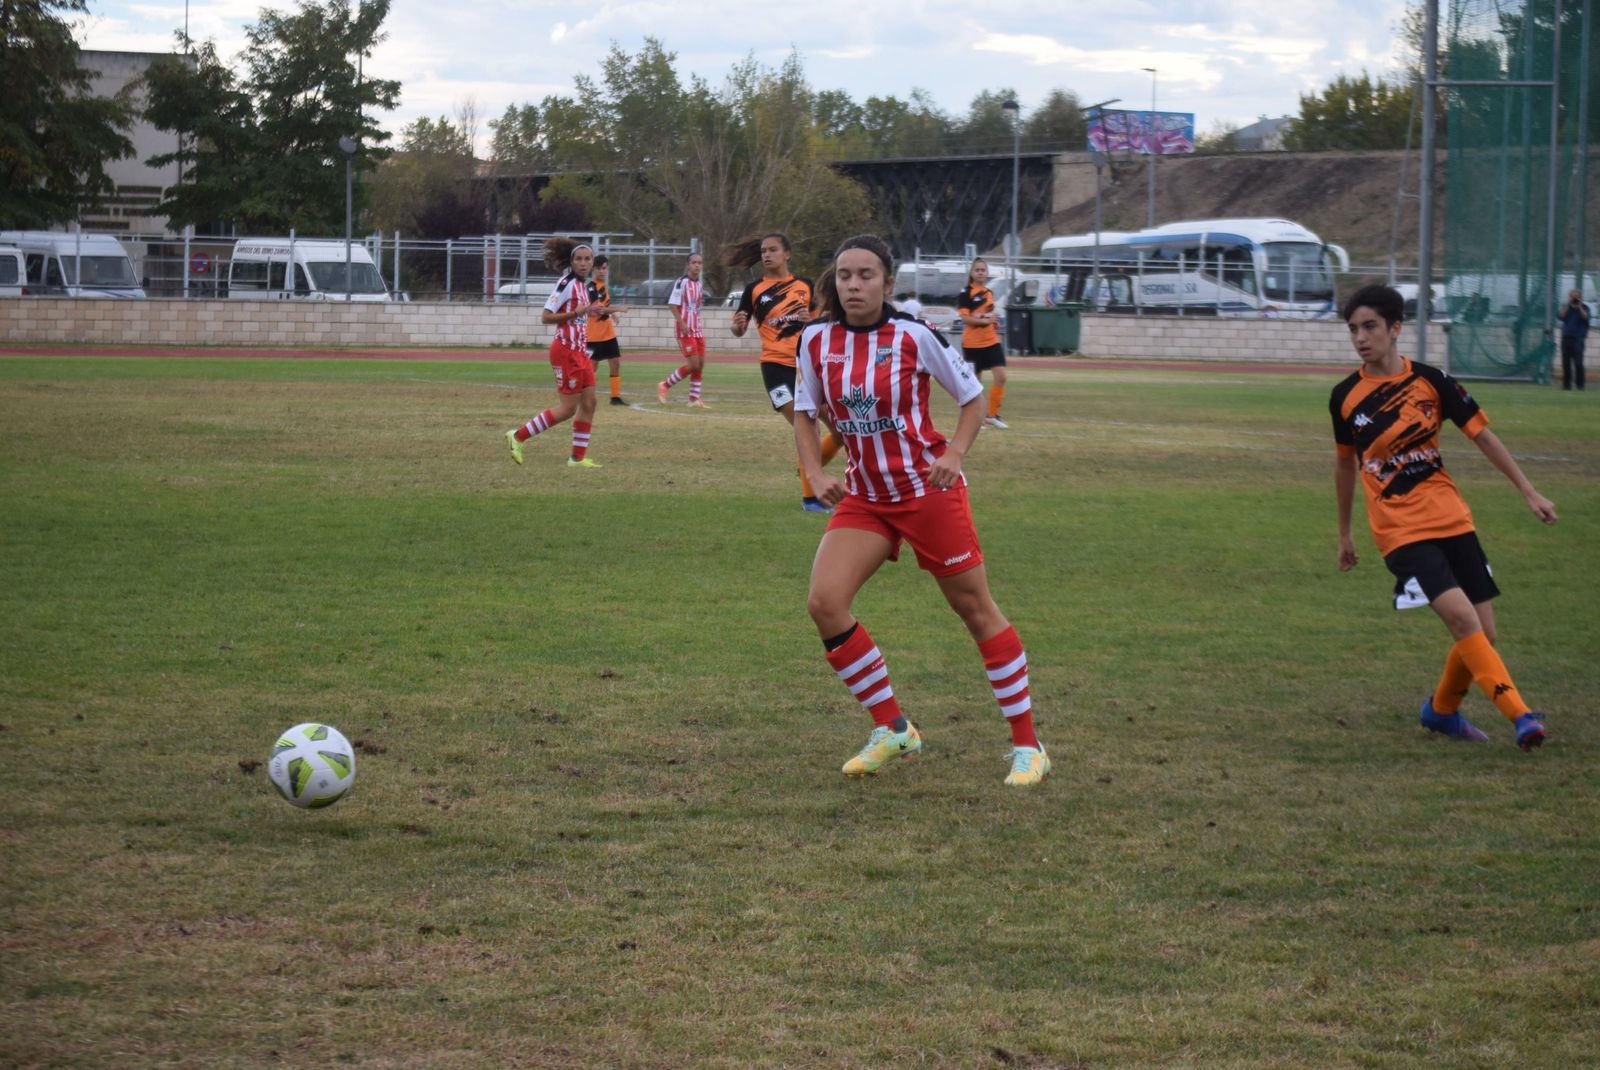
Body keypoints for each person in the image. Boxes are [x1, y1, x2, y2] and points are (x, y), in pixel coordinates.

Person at [795, 234, 1049, 787]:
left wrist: (955, 454)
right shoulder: (815, 340)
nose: (854, 285)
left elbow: (971, 400)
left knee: (976, 611)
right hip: (867, 498)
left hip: (926, 492)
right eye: (844, 276)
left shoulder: (913, 335)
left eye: (865, 275)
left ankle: (1028, 745)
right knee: (825, 603)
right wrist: (814, 473)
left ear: (887, 281)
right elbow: (804, 412)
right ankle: (894, 728)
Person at [1330, 284, 1557, 749]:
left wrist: (1528, 490)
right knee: (1461, 620)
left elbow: (1483, 436)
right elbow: (1343, 464)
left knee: (1484, 634)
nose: (1360, 338)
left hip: (1451, 517)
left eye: (1370, 326)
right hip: (1399, 528)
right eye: (1353, 329)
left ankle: (1441, 710)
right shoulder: (1346, 398)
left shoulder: (1432, 381)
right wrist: (1345, 534)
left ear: (1395, 329)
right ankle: (1521, 716)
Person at [728, 232, 842, 512]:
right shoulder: (754, 290)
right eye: (764, 251)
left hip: (807, 367)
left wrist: (811, 318)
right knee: (808, 427)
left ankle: (806, 465)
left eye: (773, 250)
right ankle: (811, 498)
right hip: (775, 368)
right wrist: (738, 326)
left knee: (840, 430)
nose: (767, 255)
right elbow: (738, 328)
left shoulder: (805, 285)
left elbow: (822, 323)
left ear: (787, 254)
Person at [505, 237, 602, 469]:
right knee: (568, 408)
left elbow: (579, 313)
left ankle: (577, 458)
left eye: (587, 259)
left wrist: (591, 310)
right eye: (578, 259)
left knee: (589, 403)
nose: (583, 263)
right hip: (566, 351)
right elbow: (546, 316)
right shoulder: (566, 283)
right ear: (571, 262)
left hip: (580, 352)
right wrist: (576, 313)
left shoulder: (583, 285)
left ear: (592, 263)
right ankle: (518, 436)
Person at [958, 258, 1009, 429]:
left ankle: (992, 415)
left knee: (1001, 376)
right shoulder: (966, 292)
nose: (980, 272)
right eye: (977, 270)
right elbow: (965, 318)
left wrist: (994, 322)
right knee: (975, 386)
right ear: (972, 273)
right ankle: (977, 419)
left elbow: (986, 315)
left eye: (983, 270)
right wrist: (986, 320)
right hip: (972, 344)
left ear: (987, 273)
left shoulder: (989, 292)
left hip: (991, 341)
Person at [657, 253, 707, 408]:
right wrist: (682, 323)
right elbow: (672, 305)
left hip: (697, 329)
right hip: (684, 330)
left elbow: (696, 308)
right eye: (694, 262)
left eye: (699, 262)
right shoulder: (681, 282)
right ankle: (665, 385)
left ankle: (693, 399)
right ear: (688, 265)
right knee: (692, 365)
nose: (697, 265)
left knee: (700, 364)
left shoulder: (698, 285)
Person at [587, 256, 627, 406]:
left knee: (615, 363)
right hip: (594, 335)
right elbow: (598, 308)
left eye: (605, 268)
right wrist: (618, 309)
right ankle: (586, 396)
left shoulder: (603, 285)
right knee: (592, 368)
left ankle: (615, 397)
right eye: (599, 268)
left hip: (608, 333)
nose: (603, 271)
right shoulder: (590, 287)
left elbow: (605, 305)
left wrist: (613, 314)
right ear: (594, 269)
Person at [1557, 287, 1589, 391]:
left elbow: (1585, 317)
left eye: (1576, 296)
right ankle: (1567, 385)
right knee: (1566, 362)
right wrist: (1569, 304)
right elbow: (1561, 316)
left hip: (1578, 338)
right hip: (1566, 337)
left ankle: (1580, 385)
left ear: (1580, 297)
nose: (1574, 298)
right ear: (1569, 296)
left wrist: (1579, 307)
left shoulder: (1585, 307)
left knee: (1578, 362)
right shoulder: (1566, 307)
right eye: (1572, 296)